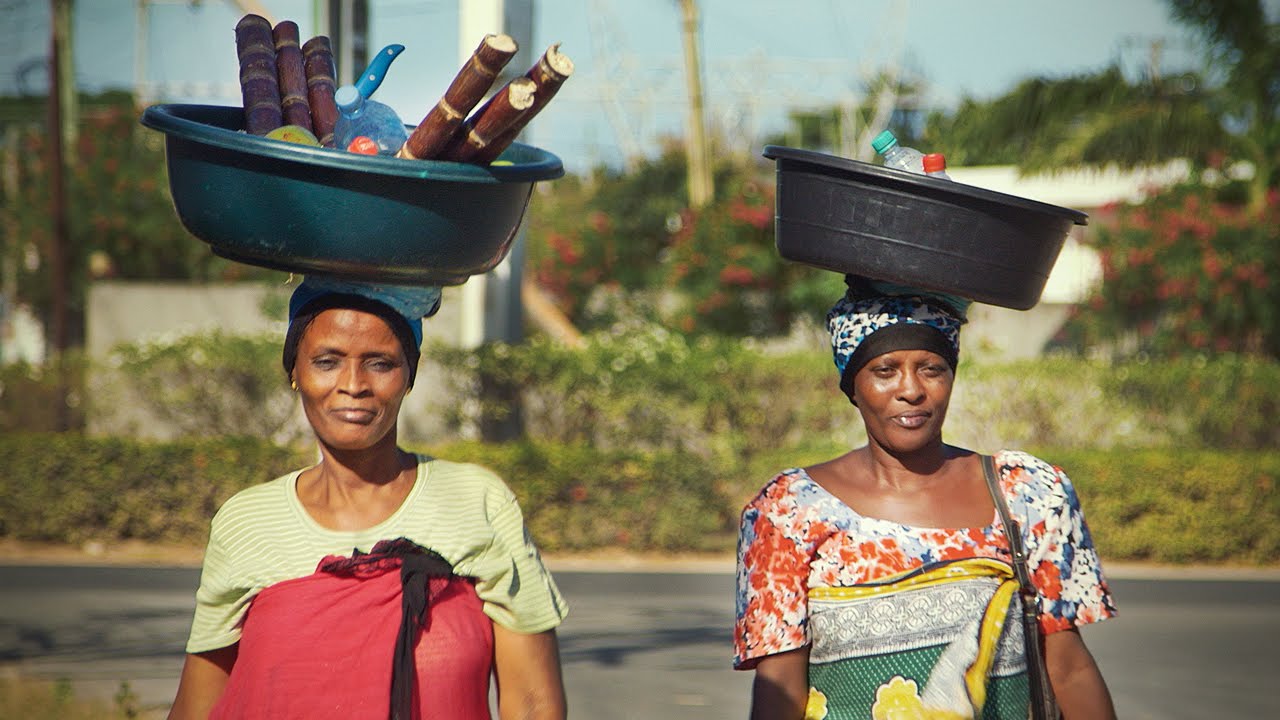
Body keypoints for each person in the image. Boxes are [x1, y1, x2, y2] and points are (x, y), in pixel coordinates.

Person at [168, 277, 568, 720]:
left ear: (408, 377)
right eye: (327, 361)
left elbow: (533, 703)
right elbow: (199, 706)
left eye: (379, 363)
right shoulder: (247, 521)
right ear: (295, 373)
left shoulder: (477, 502)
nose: (353, 384)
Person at [734, 277, 1116, 720]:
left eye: (932, 368)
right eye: (885, 370)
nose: (911, 389)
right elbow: (779, 682)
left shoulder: (1027, 491)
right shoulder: (789, 510)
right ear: (852, 385)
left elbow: (1068, 667)